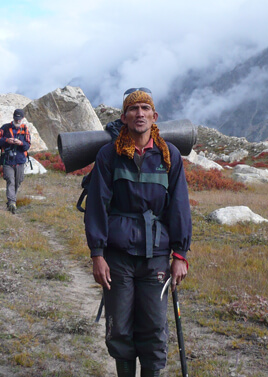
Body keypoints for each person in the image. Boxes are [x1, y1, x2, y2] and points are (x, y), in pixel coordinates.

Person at [84, 88, 192, 377]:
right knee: (119, 327)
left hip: (156, 256)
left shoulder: (170, 156)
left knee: (154, 328)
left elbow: (179, 207)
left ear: (154, 116)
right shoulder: (109, 155)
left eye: (145, 108)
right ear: (124, 117)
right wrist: (97, 254)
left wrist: (179, 254)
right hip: (117, 256)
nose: (139, 113)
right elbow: (97, 207)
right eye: (133, 109)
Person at [0, 108, 31, 214]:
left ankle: (11, 200)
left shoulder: (25, 129)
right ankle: (12, 202)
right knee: (10, 180)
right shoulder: (5, 128)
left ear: (23, 118)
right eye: (16, 119)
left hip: (20, 160)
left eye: (19, 119)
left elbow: (27, 146)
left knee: (18, 181)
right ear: (13, 117)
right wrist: (6, 140)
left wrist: (20, 143)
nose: (18, 121)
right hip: (7, 160)